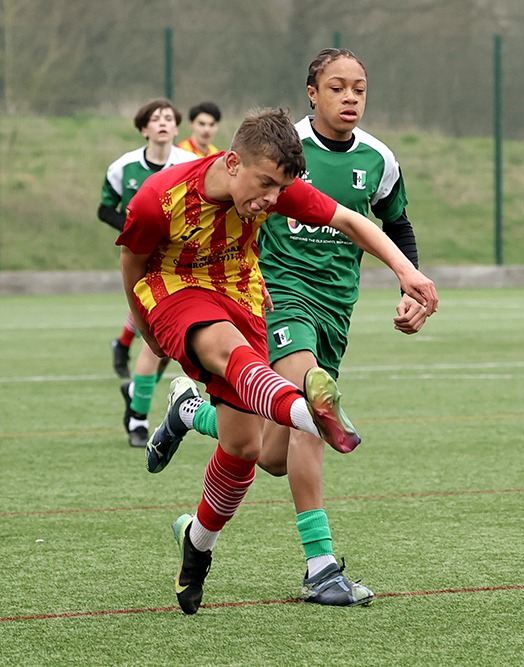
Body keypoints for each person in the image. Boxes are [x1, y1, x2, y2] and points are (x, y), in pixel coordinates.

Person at [117, 107, 438, 614]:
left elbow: (352, 220)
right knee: (226, 350)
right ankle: (311, 413)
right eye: (263, 184)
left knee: (249, 451)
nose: (270, 199)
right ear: (230, 162)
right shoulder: (158, 201)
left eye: (278, 189)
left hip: (241, 289)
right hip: (174, 288)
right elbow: (132, 262)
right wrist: (148, 328)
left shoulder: (278, 189)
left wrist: (408, 273)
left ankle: (197, 543)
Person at [99, 99, 199, 446]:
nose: (162, 123)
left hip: (179, 262)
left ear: (176, 128)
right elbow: (104, 209)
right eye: (155, 119)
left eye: (169, 118)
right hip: (143, 264)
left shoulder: (190, 164)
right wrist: (132, 232)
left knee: (165, 348)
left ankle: (135, 394)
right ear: (144, 128)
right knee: (153, 344)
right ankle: (138, 422)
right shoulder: (123, 168)